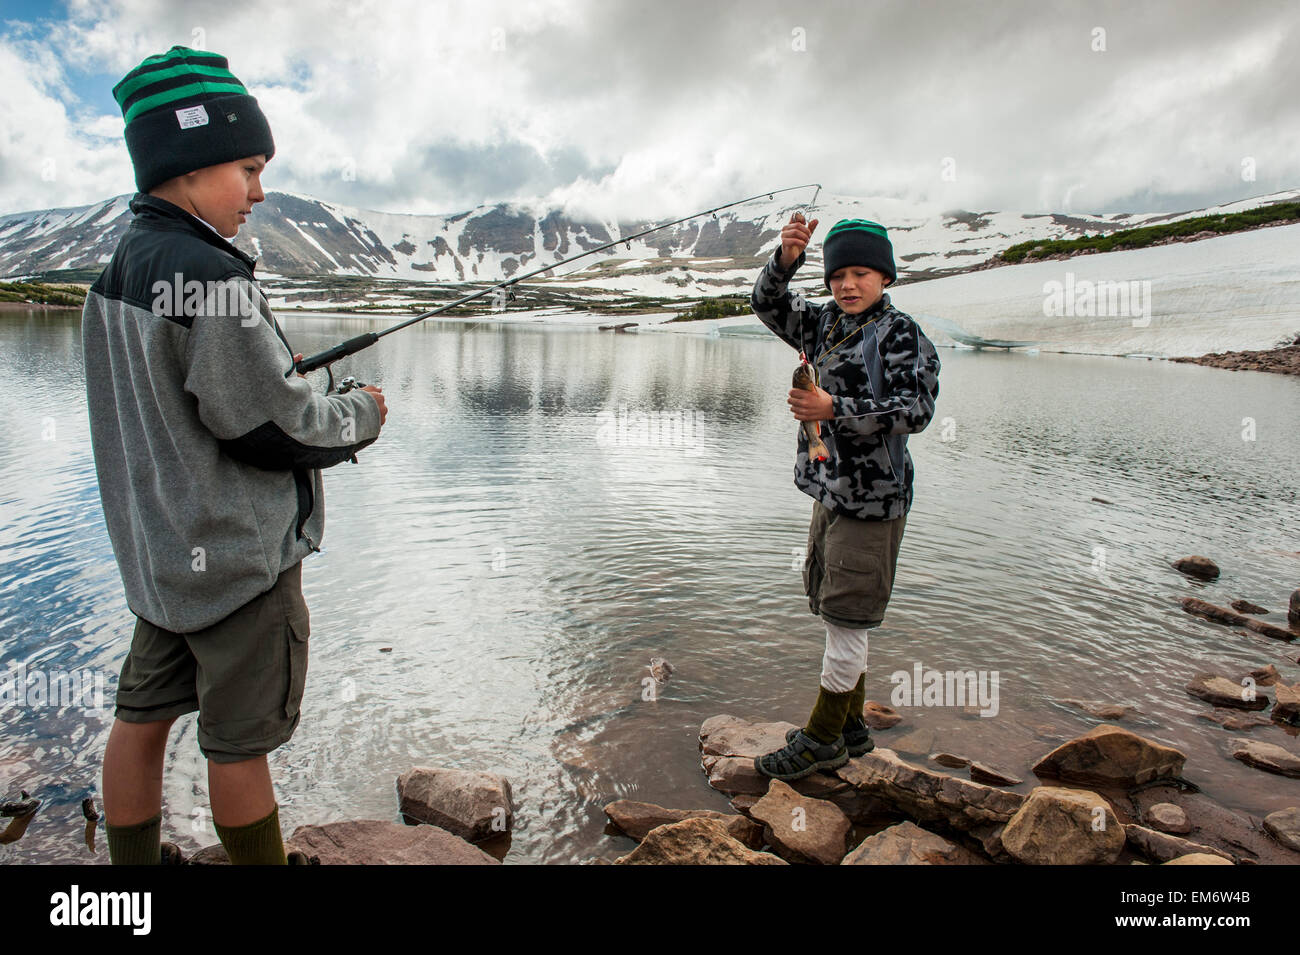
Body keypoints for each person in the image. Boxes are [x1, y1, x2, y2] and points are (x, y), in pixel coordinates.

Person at [81, 46, 389, 864]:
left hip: (160, 564)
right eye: (248, 169)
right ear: (186, 163)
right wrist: (360, 413)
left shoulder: (119, 266)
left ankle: (126, 892)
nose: (258, 192)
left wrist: (275, 382)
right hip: (238, 570)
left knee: (139, 721)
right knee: (237, 746)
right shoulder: (212, 278)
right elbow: (271, 428)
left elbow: (188, 402)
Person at [749, 213, 941, 781]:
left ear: (884, 277)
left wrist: (836, 410)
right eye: (839, 275)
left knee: (847, 616)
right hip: (828, 491)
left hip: (874, 502)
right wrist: (786, 259)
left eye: (861, 273)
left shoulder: (902, 334)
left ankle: (823, 738)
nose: (848, 285)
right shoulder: (823, 323)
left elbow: (918, 411)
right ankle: (854, 726)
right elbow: (766, 303)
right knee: (830, 603)